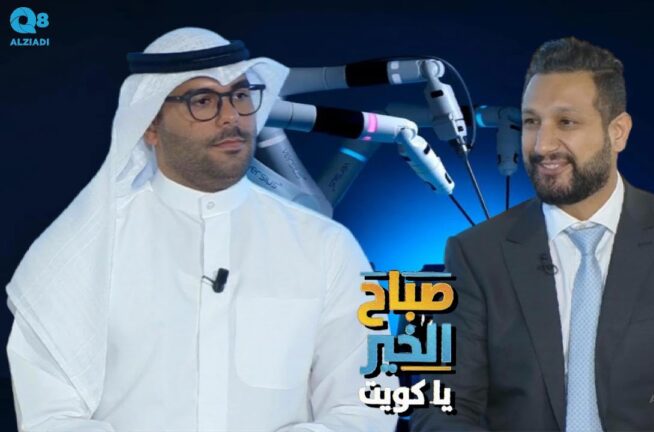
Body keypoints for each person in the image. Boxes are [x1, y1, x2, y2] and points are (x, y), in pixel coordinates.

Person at [6, 27, 396, 432]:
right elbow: (49, 417)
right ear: (150, 125)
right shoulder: (81, 252)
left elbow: (366, 406)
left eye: (240, 96)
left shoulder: (326, 247)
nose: (231, 117)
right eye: (203, 101)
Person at [412, 37, 654, 431]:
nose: (542, 145)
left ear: (618, 132)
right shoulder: (474, 254)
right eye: (531, 122)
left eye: (566, 122)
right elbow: (439, 409)